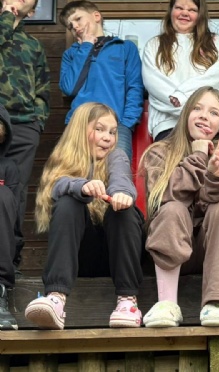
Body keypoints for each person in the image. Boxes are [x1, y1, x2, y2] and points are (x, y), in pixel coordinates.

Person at [24, 103, 144, 330]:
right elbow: (57, 185)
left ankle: (128, 301)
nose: (108, 137)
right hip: (80, 258)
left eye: (112, 132)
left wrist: (121, 194)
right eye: (99, 129)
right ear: (81, 130)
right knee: (68, 201)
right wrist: (82, 186)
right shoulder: (64, 158)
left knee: (123, 212)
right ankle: (56, 298)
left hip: (115, 256)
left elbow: (121, 178)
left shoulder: (116, 156)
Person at [140, 87, 219, 327]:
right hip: (168, 251)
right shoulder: (159, 152)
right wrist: (198, 158)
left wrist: (215, 175)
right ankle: (167, 304)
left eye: (214, 113)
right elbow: (165, 195)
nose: (204, 116)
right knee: (172, 208)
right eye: (197, 108)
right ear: (186, 114)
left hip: (209, 252)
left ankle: (217, 301)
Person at [0, 0, 50, 271]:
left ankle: (9, 263)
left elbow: (42, 89)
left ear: (32, 10)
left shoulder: (33, 45)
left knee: (15, 194)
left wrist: (36, 122)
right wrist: (6, 17)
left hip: (23, 127)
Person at [59, 0, 144, 161]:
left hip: (116, 126)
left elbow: (135, 88)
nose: (75, 27)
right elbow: (69, 88)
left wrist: (126, 123)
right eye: (70, 26)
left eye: (78, 19)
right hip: (79, 124)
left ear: (96, 16)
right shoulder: (71, 54)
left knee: (117, 171)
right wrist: (86, 46)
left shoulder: (124, 47)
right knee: (77, 172)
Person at [142, 0, 219, 141]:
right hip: (167, 126)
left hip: (206, 125)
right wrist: (190, 107)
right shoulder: (154, 45)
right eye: (179, 8)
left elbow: (216, 80)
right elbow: (156, 85)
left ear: (200, 14)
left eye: (192, 10)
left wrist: (182, 98)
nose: (184, 13)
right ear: (171, 11)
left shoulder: (216, 44)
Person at [0, 105, 22, 330]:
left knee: (3, 194)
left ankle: (0, 290)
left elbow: (13, 221)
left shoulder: (8, 168)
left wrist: (13, 259)